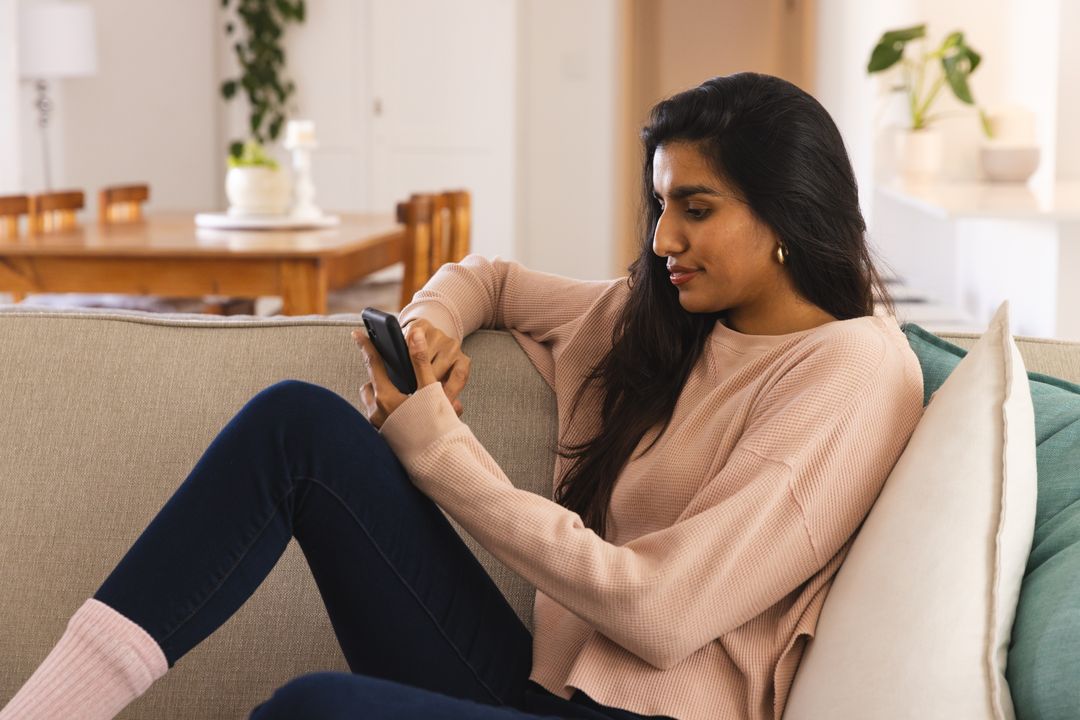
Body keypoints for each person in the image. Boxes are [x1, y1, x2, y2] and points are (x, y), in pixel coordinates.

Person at [0, 71, 924, 720]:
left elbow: (662, 610)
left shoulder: (852, 370)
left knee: (310, 708)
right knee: (297, 425)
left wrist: (437, 452)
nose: (663, 239)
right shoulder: (665, 319)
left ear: (789, 214)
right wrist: (429, 328)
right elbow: (490, 276)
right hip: (533, 689)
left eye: (697, 207)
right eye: (658, 206)